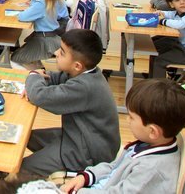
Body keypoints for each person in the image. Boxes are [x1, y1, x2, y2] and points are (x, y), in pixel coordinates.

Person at [60, 79, 185, 193]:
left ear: (153, 131)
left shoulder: (150, 169)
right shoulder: (148, 144)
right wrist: (87, 177)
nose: (127, 120)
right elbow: (114, 167)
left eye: (131, 117)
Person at [21, 29, 120, 176]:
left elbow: (40, 96)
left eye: (62, 52)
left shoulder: (84, 87)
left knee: (19, 169)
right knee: (23, 137)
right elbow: (53, 78)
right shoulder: (84, 72)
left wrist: (34, 75)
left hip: (86, 152)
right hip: (77, 135)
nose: (56, 53)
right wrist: (38, 80)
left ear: (77, 65)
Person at [11, 0, 67, 69]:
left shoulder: (41, 3)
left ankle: (32, 74)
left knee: (15, 59)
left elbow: (22, 16)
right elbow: (34, 4)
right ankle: (39, 70)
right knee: (27, 53)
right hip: (51, 36)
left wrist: (22, 12)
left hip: (44, 40)